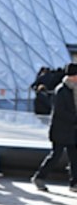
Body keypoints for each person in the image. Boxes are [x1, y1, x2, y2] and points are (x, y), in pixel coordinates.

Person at [31, 63, 77, 192]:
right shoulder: (62, 90)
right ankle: (39, 177)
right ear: (73, 76)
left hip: (72, 130)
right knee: (56, 155)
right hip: (61, 130)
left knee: (74, 157)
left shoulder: (74, 89)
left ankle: (74, 183)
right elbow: (60, 111)